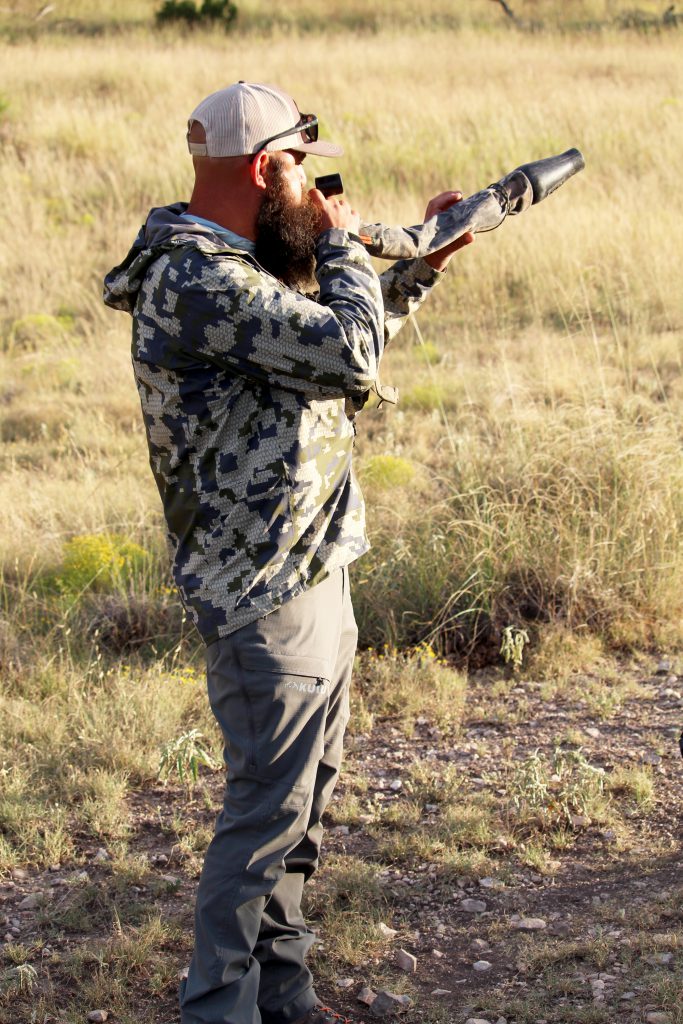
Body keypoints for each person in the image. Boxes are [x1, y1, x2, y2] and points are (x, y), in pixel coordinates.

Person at [103, 81, 473, 1024]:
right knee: (267, 812)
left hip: (308, 564)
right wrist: (347, 242)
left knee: (302, 804)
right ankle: (219, 1006)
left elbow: (326, 352)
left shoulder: (233, 267)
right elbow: (346, 354)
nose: (312, 189)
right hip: (263, 587)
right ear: (266, 168)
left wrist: (416, 268)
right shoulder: (197, 279)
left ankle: (281, 990)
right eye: (302, 169)